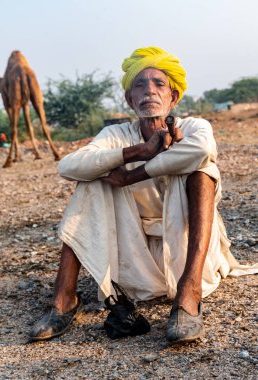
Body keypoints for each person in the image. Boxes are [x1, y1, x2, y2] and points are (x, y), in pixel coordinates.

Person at [30, 46, 258, 343]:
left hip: (188, 256)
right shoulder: (117, 135)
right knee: (92, 179)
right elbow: (68, 165)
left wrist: (131, 175)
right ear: (130, 99)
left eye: (158, 84)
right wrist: (139, 151)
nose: (149, 90)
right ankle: (65, 298)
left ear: (173, 97)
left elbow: (202, 150)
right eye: (140, 84)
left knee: (203, 171)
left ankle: (189, 295)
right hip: (135, 262)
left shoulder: (193, 127)